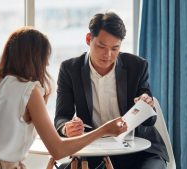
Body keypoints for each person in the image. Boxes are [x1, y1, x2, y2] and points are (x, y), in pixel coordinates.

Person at [0, 26, 127, 169]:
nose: (46, 64)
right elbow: (58, 150)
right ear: (35, 59)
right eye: (45, 57)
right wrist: (105, 129)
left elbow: (5, 126)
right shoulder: (28, 90)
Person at [54, 12, 169, 169]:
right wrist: (67, 128)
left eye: (115, 48)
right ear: (89, 39)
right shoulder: (70, 69)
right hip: (96, 152)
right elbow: (61, 117)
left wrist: (147, 106)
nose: (108, 55)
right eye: (101, 46)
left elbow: (150, 120)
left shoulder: (137, 66)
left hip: (141, 151)